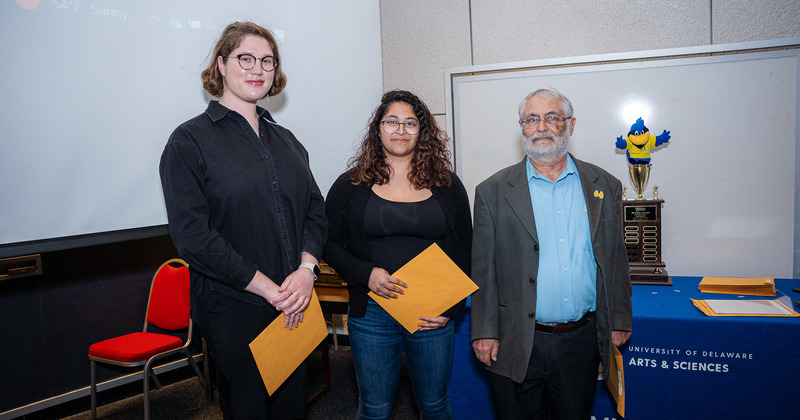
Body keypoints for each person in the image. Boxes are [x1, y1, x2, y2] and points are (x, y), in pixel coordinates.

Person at [159, 21, 327, 419]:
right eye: (245, 58)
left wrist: (306, 271)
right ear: (221, 64)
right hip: (234, 306)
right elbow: (194, 238)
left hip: (295, 301)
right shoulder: (188, 141)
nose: (257, 70)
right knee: (249, 410)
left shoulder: (288, 141)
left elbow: (315, 213)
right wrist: (269, 289)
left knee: (291, 408)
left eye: (267, 61)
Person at [470, 87, 632, 420]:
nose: (542, 126)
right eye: (532, 119)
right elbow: (483, 270)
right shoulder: (492, 191)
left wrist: (618, 318)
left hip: (580, 341)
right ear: (522, 128)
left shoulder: (606, 185)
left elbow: (616, 261)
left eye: (552, 117)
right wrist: (484, 330)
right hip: (514, 339)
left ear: (570, 125)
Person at [323, 90, 472, 420]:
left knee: (434, 405)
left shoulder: (447, 185)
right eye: (392, 122)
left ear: (423, 131)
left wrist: (450, 307)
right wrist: (366, 274)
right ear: (378, 128)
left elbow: (465, 249)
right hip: (372, 310)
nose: (401, 130)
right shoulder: (350, 185)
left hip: (431, 312)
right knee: (374, 409)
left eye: (410, 123)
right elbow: (328, 243)